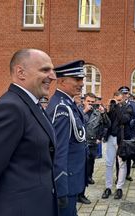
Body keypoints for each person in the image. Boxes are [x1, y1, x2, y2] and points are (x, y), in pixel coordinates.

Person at [0, 48, 58, 216]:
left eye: (52, 70)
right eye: (45, 70)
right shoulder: (11, 108)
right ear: (21, 72)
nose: (53, 76)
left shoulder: (30, 105)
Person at [46, 60, 87, 216]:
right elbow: (58, 152)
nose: (82, 83)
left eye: (82, 79)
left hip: (73, 181)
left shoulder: (69, 104)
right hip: (66, 183)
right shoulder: (61, 108)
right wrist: (61, 189)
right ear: (62, 81)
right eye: (77, 79)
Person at [101, 91, 134, 200]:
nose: (117, 102)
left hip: (121, 139)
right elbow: (107, 122)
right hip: (111, 137)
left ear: (124, 99)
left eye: (119, 100)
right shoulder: (112, 107)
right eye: (116, 100)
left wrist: (118, 107)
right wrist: (106, 111)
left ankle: (119, 188)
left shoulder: (128, 108)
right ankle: (108, 187)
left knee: (122, 164)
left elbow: (124, 120)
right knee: (109, 163)